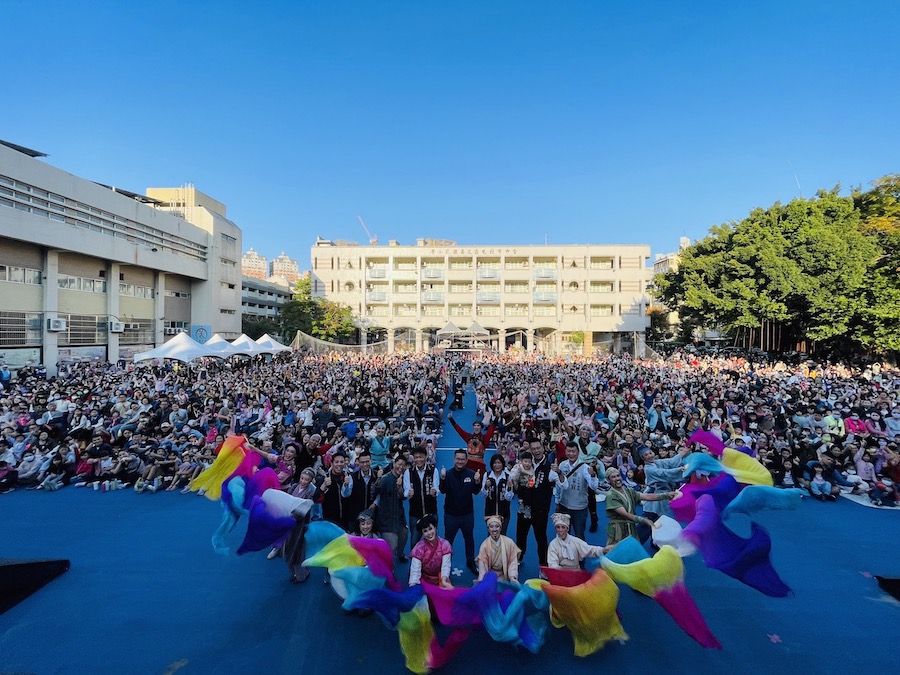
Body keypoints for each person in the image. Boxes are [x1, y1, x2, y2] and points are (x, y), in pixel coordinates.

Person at [513, 439, 558, 567]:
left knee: (541, 539)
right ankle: (519, 558)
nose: (536, 451)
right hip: (523, 508)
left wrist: (558, 472)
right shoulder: (525, 464)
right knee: (521, 536)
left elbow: (562, 484)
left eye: (538, 448)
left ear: (543, 448)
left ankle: (543, 564)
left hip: (540, 510)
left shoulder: (549, 466)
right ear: (530, 450)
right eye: (533, 449)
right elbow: (515, 480)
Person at [604, 468, 673, 547]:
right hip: (618, 530)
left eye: (618, 475)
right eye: (613, 477)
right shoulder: (610, 495)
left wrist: (667, 495)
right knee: (617, 554)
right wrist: (644, 520)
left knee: (632, 552)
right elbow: (625, 514)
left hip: (631, 528)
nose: (617, 479)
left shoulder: (629, 491)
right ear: (608, 480)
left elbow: (648, 496)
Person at [439, 448, 482, 574]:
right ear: (454, 459)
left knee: (469, 539)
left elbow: (475, 491)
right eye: (458, 459)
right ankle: (446, 564)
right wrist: (442, 478)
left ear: (466, 460)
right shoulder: (447, 474)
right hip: (451, 515)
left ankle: (470, 561)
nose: (460, 461)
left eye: (463, 459)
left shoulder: (471, 474)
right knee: (448, 541)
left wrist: (478, 482)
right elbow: (443, 490)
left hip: (467, 514)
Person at [555, 441, 601, 540]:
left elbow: (593, 487)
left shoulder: (585, 467)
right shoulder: (562, 465)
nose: (571, 454)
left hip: (579, 507)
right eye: (568, 451)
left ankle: (580, 555)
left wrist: (593, 475)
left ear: (578, 452)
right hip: (564, 505)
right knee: (563, 534)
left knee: (579, 535)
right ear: (565, 451)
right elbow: (558, 485)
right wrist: (557, 501)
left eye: (573, 451)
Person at [376, 454, 409, 562]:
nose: (401, 468)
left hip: (399, 517)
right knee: (392, 546)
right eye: (399, 464)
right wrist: (378, 480)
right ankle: (390, 570)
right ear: (394, 464)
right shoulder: (385, 478)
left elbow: (403, 497)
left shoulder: (403, 479)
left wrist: (399, 486)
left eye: (403, 466)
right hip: (387, 518)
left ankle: (400, 555)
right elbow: (375, 491)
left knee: (404, 536)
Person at [404, 446, 440, 546]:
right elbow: (406, 491)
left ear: (425, 457)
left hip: (431, 512)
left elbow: (437, 489)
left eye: (421, 457)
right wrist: (408, 494)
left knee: (432, 541)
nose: (418, 459)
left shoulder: (433, 470)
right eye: (416, 457)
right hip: (415, 514)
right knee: (414, 541)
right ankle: (414, 561)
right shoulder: (409, 472)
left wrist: (434, 491)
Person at [409, 514, 453, 588]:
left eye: (430, 529)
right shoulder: (419, 548)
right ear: (422, 533)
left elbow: (445, 566)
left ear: (435, 528)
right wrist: (413, 585)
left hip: (440, 577)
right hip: (424, 579)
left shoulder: (445, 545)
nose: (429, 533)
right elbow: (415, 571)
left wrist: (444, 580)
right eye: (425, 531)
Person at [476, 515, 520, 584]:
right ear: (488, 529)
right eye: (491, 527)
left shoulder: (509, 542)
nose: (494, 529)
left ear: (501, 528)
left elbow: (513, 562)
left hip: (505, 575)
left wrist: (512, 577)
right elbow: (483, 566)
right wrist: (481, 579)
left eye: (497, 526)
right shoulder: (484, 545)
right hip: (491, 576)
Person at [481, 453, 513, 535]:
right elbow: (484, 495)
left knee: (502, 535)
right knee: (491, 535)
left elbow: (508, 498)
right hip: (490, 513)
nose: (497, 465)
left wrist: (509, 488)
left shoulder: (507, 476)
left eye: (499, 463)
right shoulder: (487, 475)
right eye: (495, 463)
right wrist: (486, 486)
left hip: (504, 513)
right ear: (492, 464)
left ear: (502, 464)